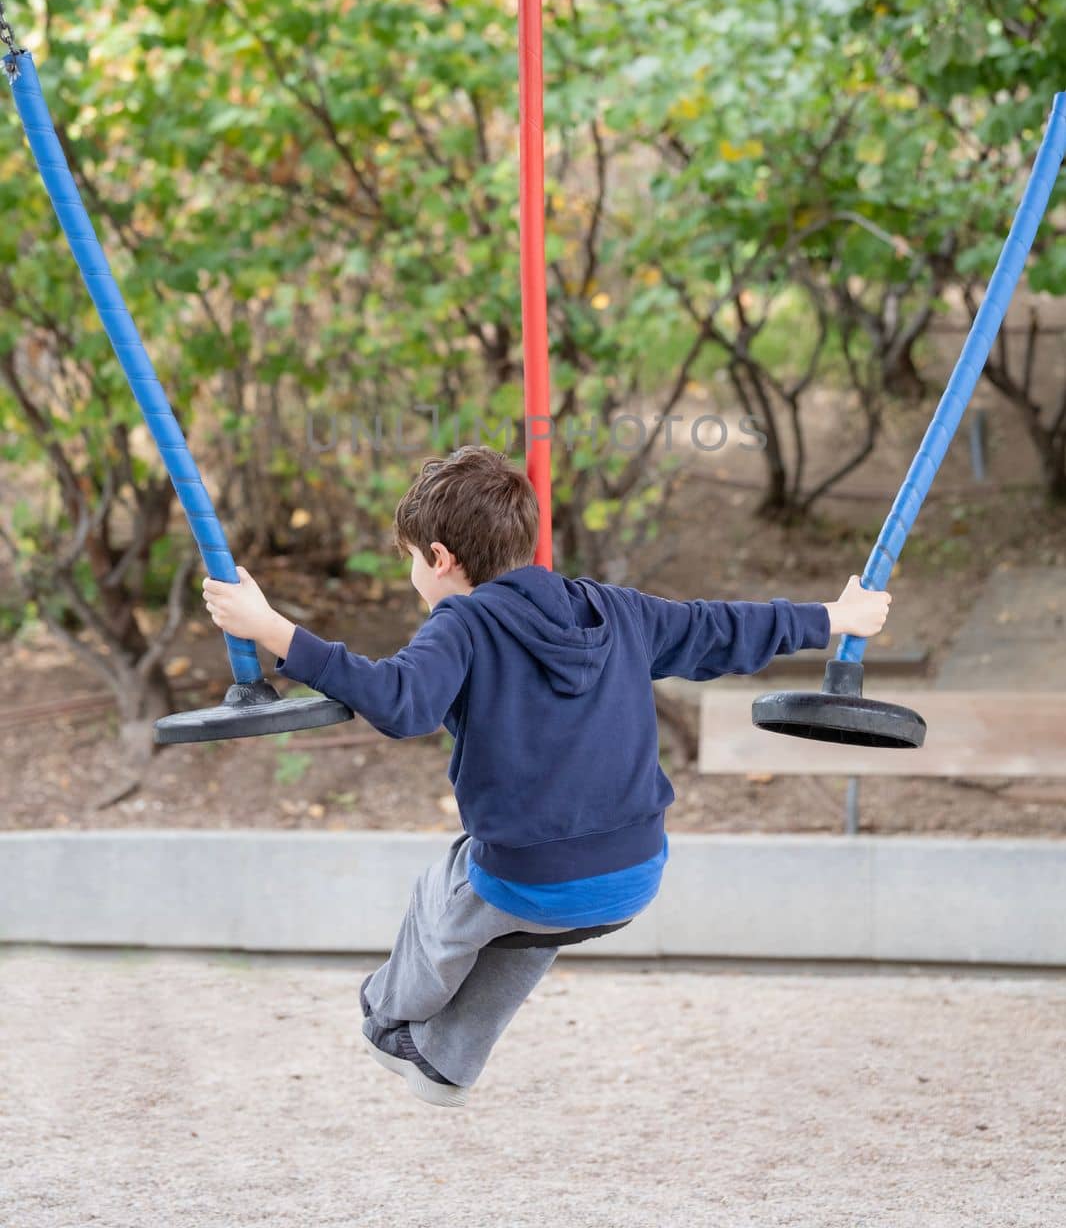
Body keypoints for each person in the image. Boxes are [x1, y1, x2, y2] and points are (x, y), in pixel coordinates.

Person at [202, 444, 891, 1110]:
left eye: (412, 559)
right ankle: (446, 1061)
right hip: (637, 872)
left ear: (441, 559)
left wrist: (271, 629)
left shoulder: (462, 624)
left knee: (454, 887)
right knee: (527, 927)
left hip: (527, 876)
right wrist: (834, 618)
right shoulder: (618, 610)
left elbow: (400, 701)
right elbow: (720, 628)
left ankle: (387, 1015)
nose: (413, 574)